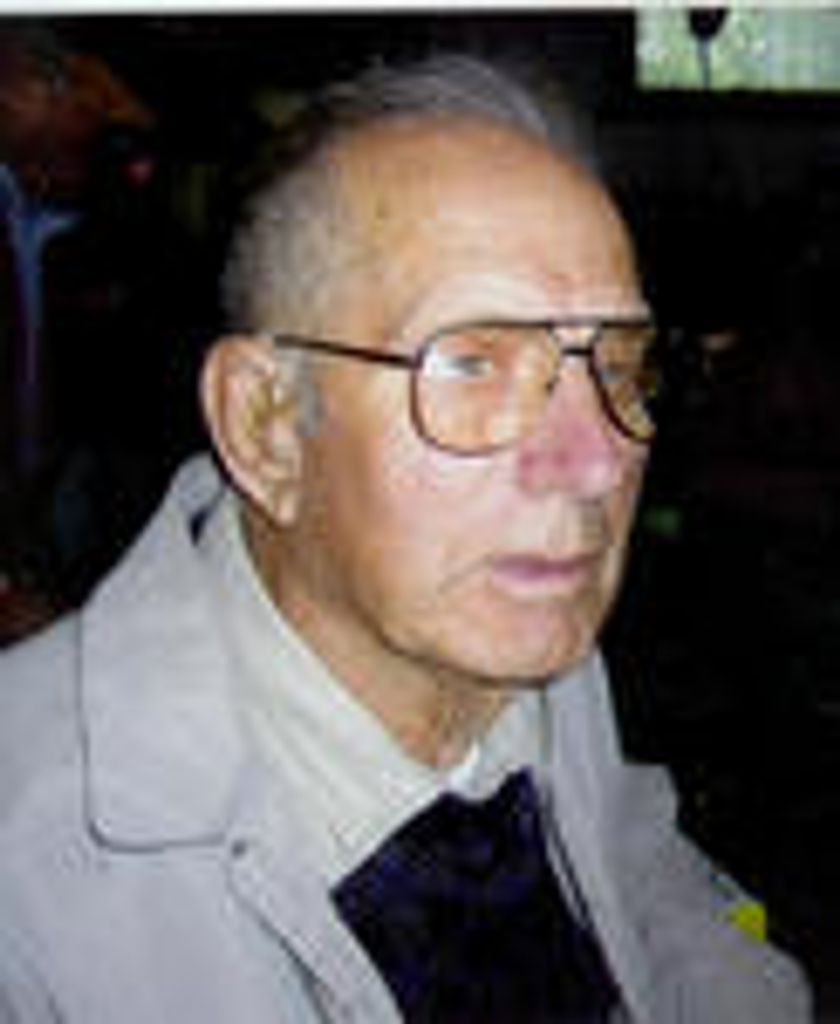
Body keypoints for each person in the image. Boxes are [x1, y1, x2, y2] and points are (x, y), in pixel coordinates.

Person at [0, 53, 811, 1023]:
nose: (595, 461)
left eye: (620, 366)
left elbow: (631, 856)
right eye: (472, 363)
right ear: (264, 424)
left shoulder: (528, 632)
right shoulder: (31, 883)